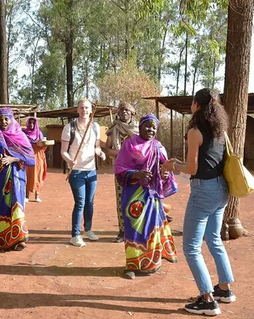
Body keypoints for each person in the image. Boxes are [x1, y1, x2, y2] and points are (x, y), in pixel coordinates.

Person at [163, 88, 236, 316]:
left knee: (191, 247)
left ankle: (207, 299)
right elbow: (206, 161)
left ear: (196, 105)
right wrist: (179, 162)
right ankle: (224, 289)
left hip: (204, 192)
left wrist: (172, 166)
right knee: (214, 239)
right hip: (222, 190)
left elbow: (193, 169)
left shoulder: (195, 131)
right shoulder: (220, 130)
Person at [114, 114, 178, 279]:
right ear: (140, 127)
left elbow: (165, 171)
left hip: (152, 195)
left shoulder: (158, 147)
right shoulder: (129, 145)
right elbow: (119, 168)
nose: (150, 130)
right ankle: (132, 265)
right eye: (147, 126)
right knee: (134, 228)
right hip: (133, 195)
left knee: (151, 228)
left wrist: (164, 175)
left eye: (154, 127)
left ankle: (151, 263)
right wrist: (137, 174)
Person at [0, 107, 35, 251]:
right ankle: (2, 240)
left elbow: (30, 157)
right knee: (0, 205)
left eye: (6, 119)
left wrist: (13, 158)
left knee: (16, 204)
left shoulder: (20, 136)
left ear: (11, 120)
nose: (4, 122)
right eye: (1, 119)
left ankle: (19, 239)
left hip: (17, 177)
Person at [61, 99, 106, 247]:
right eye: (81, 108)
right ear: (77, 110)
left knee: (90, 202)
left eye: (87, 108)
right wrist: (69, 160)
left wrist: (100, 153)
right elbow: (63, 152)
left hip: (91, 171)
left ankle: (88, 229)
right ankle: (75, 235)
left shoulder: (95, 126)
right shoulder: (69, 128)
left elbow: (97, 147)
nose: (84, 110)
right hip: (76, 172)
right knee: (80, 202)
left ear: (91, 110)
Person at [103, 102, 138, 243]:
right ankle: (122, 231)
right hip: (120, 170)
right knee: (121, 200)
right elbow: (107, 149)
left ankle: (135, 230)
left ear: (132, 113)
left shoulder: (139, 129)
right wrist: (124, 153)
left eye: (127, 110)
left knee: (136, 199)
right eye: (121, 110)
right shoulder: (113, 129)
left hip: (137, 170)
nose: (124, 112)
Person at [22, 117, 47, 202]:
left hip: (38, 156)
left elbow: (44, 145)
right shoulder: (24, 133)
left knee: (38, 175)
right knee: (28, 175)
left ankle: (37, 196)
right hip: (28, 156)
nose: (31, 125)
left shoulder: (39, 133)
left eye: (33, 123)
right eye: (30, 123)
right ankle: (27, 196)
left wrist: (42, 143)